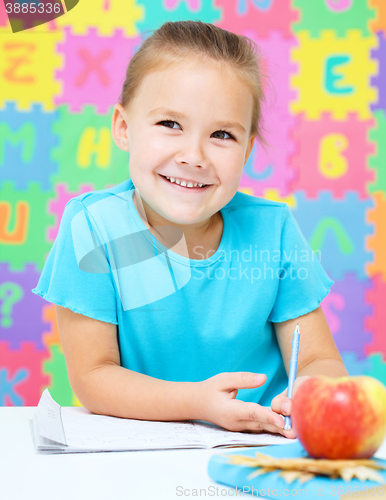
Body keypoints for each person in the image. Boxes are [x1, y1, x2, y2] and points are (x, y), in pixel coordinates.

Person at [32, 20, 348, 438]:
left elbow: (316, 360)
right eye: (170, 125)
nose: (194, 156)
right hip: (147, 452)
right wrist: (197, 403)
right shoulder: (92, 228)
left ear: (247, 149)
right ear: (123, 128)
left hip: (263, 445)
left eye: (221, 134)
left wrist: (310, 391)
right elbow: (94, 376)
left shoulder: (273, 230)